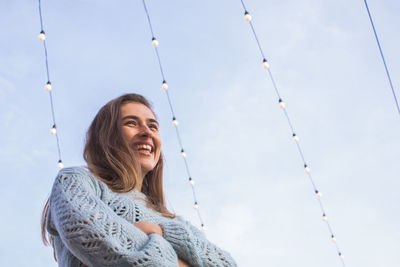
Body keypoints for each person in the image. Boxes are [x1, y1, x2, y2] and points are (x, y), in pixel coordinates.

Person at [41, 93, 237, 267]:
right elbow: (99, 242)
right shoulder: (76, 181)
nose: (147, 132)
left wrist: (159, 232)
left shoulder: (175, 222)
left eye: (153, 126)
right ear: (106, 136)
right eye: (132, 123)